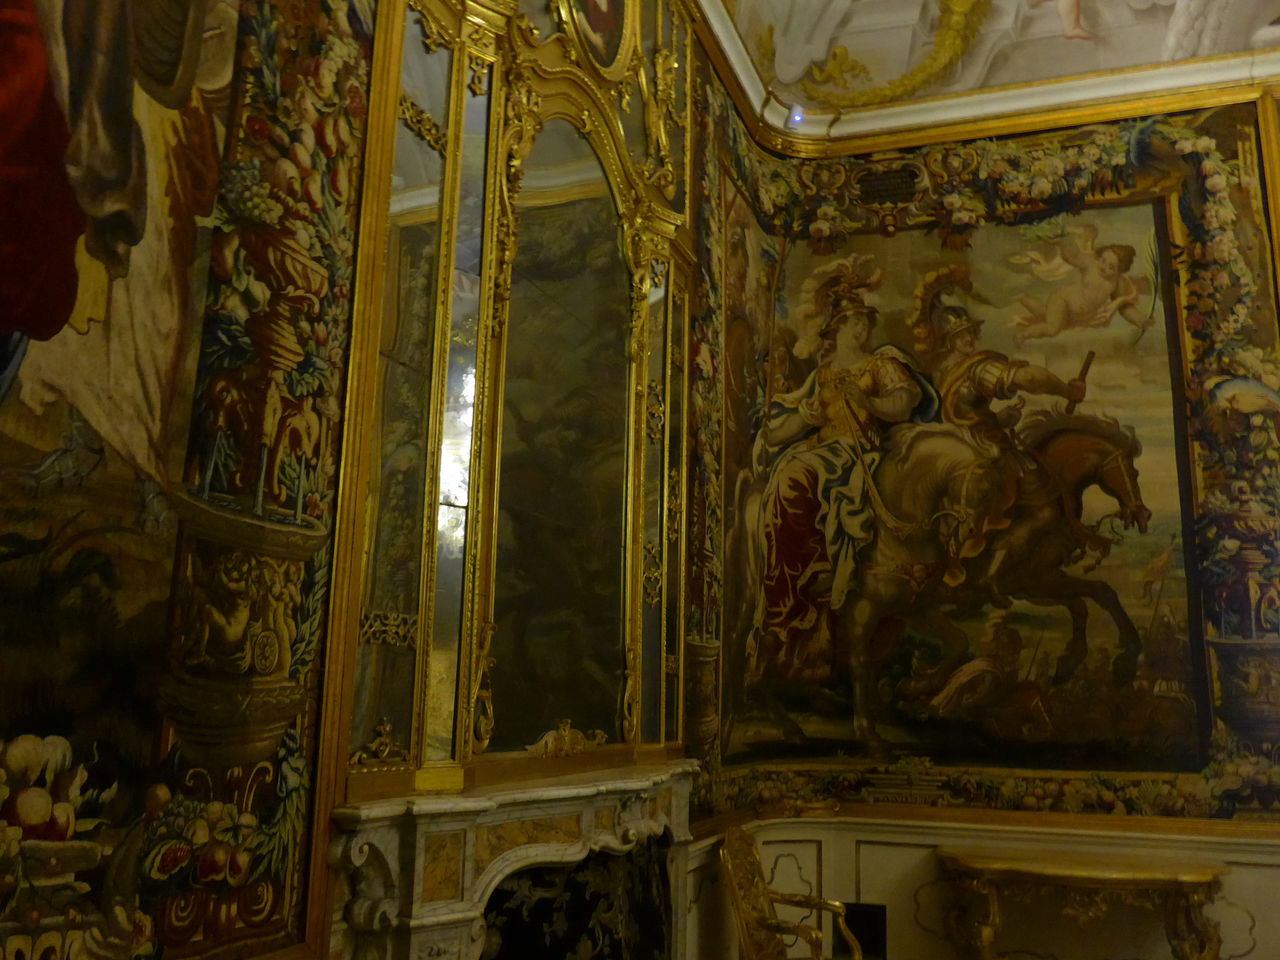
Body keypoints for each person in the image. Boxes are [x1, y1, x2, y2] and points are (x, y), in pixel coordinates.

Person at [749, 282, 937, 687]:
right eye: (853, 323)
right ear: (837, 329)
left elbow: (903, 404)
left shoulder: (879, 365)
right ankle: (802, 569)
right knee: (787, 473)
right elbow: (800, 422)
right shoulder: (824, 374)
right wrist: (777, 431)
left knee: (796, 474)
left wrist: (867, 401)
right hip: (823, 449)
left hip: (859, 452)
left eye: (864, 322)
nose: (861, 329)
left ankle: (821, 564)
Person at [934, 305, 1086, 603]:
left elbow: (960, 415)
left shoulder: (939, 372)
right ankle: (993, 574)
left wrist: (999, 419)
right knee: (1042, 507)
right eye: (961, 335)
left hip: (944, 453)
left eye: (971, 332)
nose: (969, 339)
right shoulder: (976, 367)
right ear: (949, 340)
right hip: (979, 454)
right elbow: (1028, 379)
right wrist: (1067, 391)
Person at [1013, 225, 1151, 343]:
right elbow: (1072, 256)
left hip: (1076, 315)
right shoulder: (1091, 264)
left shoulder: (1117, 283)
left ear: (1120, 270)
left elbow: (1124, 307)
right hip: (1063, 300)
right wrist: (1062, 240)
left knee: (1043, 311)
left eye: (1111, 267)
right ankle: (1023, 335)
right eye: (1103, 260)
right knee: (1052, 328)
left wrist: (1140, 320)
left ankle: (1023, 298)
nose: (1104, 267)